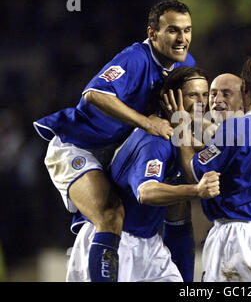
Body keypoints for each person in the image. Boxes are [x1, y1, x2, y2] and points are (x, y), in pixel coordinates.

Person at [33, 0, 195, 282]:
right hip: (77, 146)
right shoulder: (135, 58)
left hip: (117, 154)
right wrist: (147, 122)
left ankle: (91, 258)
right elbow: (93, 94)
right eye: (172, 30)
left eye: (187, 30)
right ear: (153, 34)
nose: (182, 39)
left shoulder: (185, 64)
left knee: (132, 215)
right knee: (110, 215)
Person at [66, 66, 220, 282]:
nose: (201, 103)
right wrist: (196, 190)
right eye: (192, 95)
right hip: (118, 242)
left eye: (205, 95)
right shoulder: (154, 141)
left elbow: (178, 220)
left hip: (150, 243)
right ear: (170, 99)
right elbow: (146, 192)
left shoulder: (184, 138)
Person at [165, 54, 251, 282]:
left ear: (246, 89)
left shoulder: (236, 127)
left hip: (237, 238)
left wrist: (180, 128)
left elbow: (193, 171)